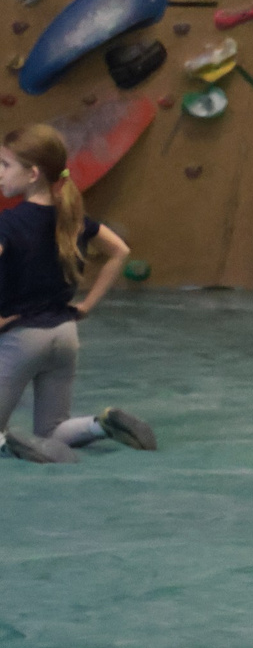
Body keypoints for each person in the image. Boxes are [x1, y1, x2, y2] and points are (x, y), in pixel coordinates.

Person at [0, 124, 156, 462]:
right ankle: (102, 425)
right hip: (65, 334)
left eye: (5, 165)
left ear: (33, 174)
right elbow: (120, 251)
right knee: (54, 426)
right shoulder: (72, 217)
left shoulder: (8, 224)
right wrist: (87, 305)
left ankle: (23, 447)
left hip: (21, 339)